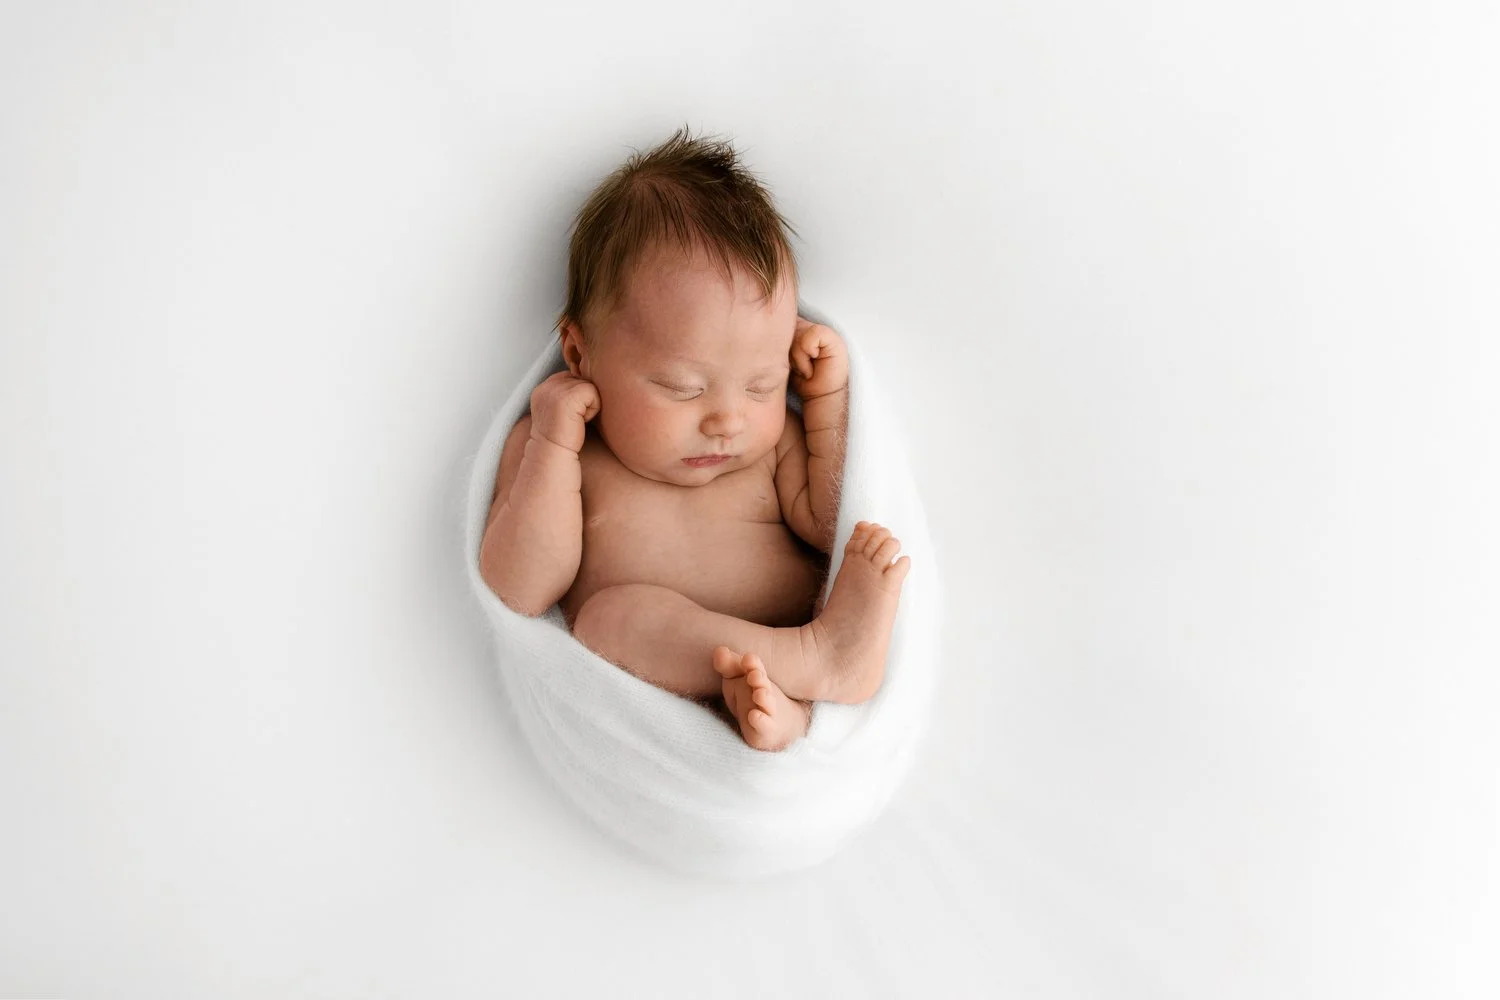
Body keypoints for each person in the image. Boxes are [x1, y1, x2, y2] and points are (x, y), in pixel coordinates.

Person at [480, 127, 910, 751]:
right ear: (578, 352)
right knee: (609, 621)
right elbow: (520, 590)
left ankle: (801, 707)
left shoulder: (772, 445)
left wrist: (824, 403)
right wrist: (550, 447)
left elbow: (830, 519)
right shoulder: (564, 452)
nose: (728, 420)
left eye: (763, 385)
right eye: (683, 388)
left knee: (770, 707)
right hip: (657, 681)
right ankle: (806, 674)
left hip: (788, 646)